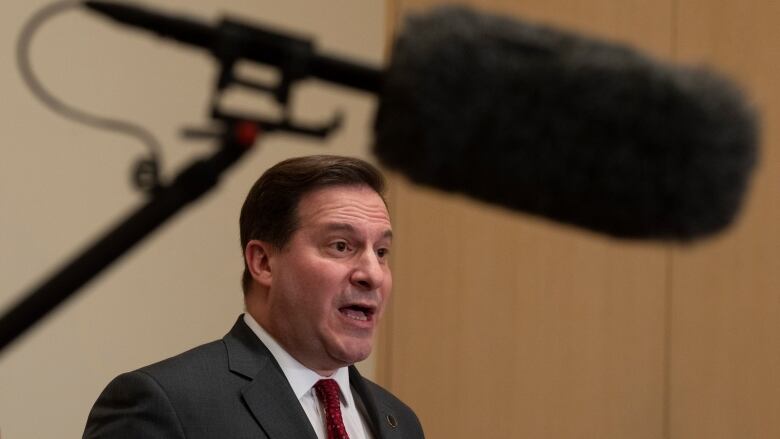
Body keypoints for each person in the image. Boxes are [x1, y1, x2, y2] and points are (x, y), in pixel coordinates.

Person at [83, 155, 424, 439]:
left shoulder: (402, 423)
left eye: (381, 251)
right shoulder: (165, 405)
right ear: (263, 263)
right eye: (340, 246)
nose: (373, 274)